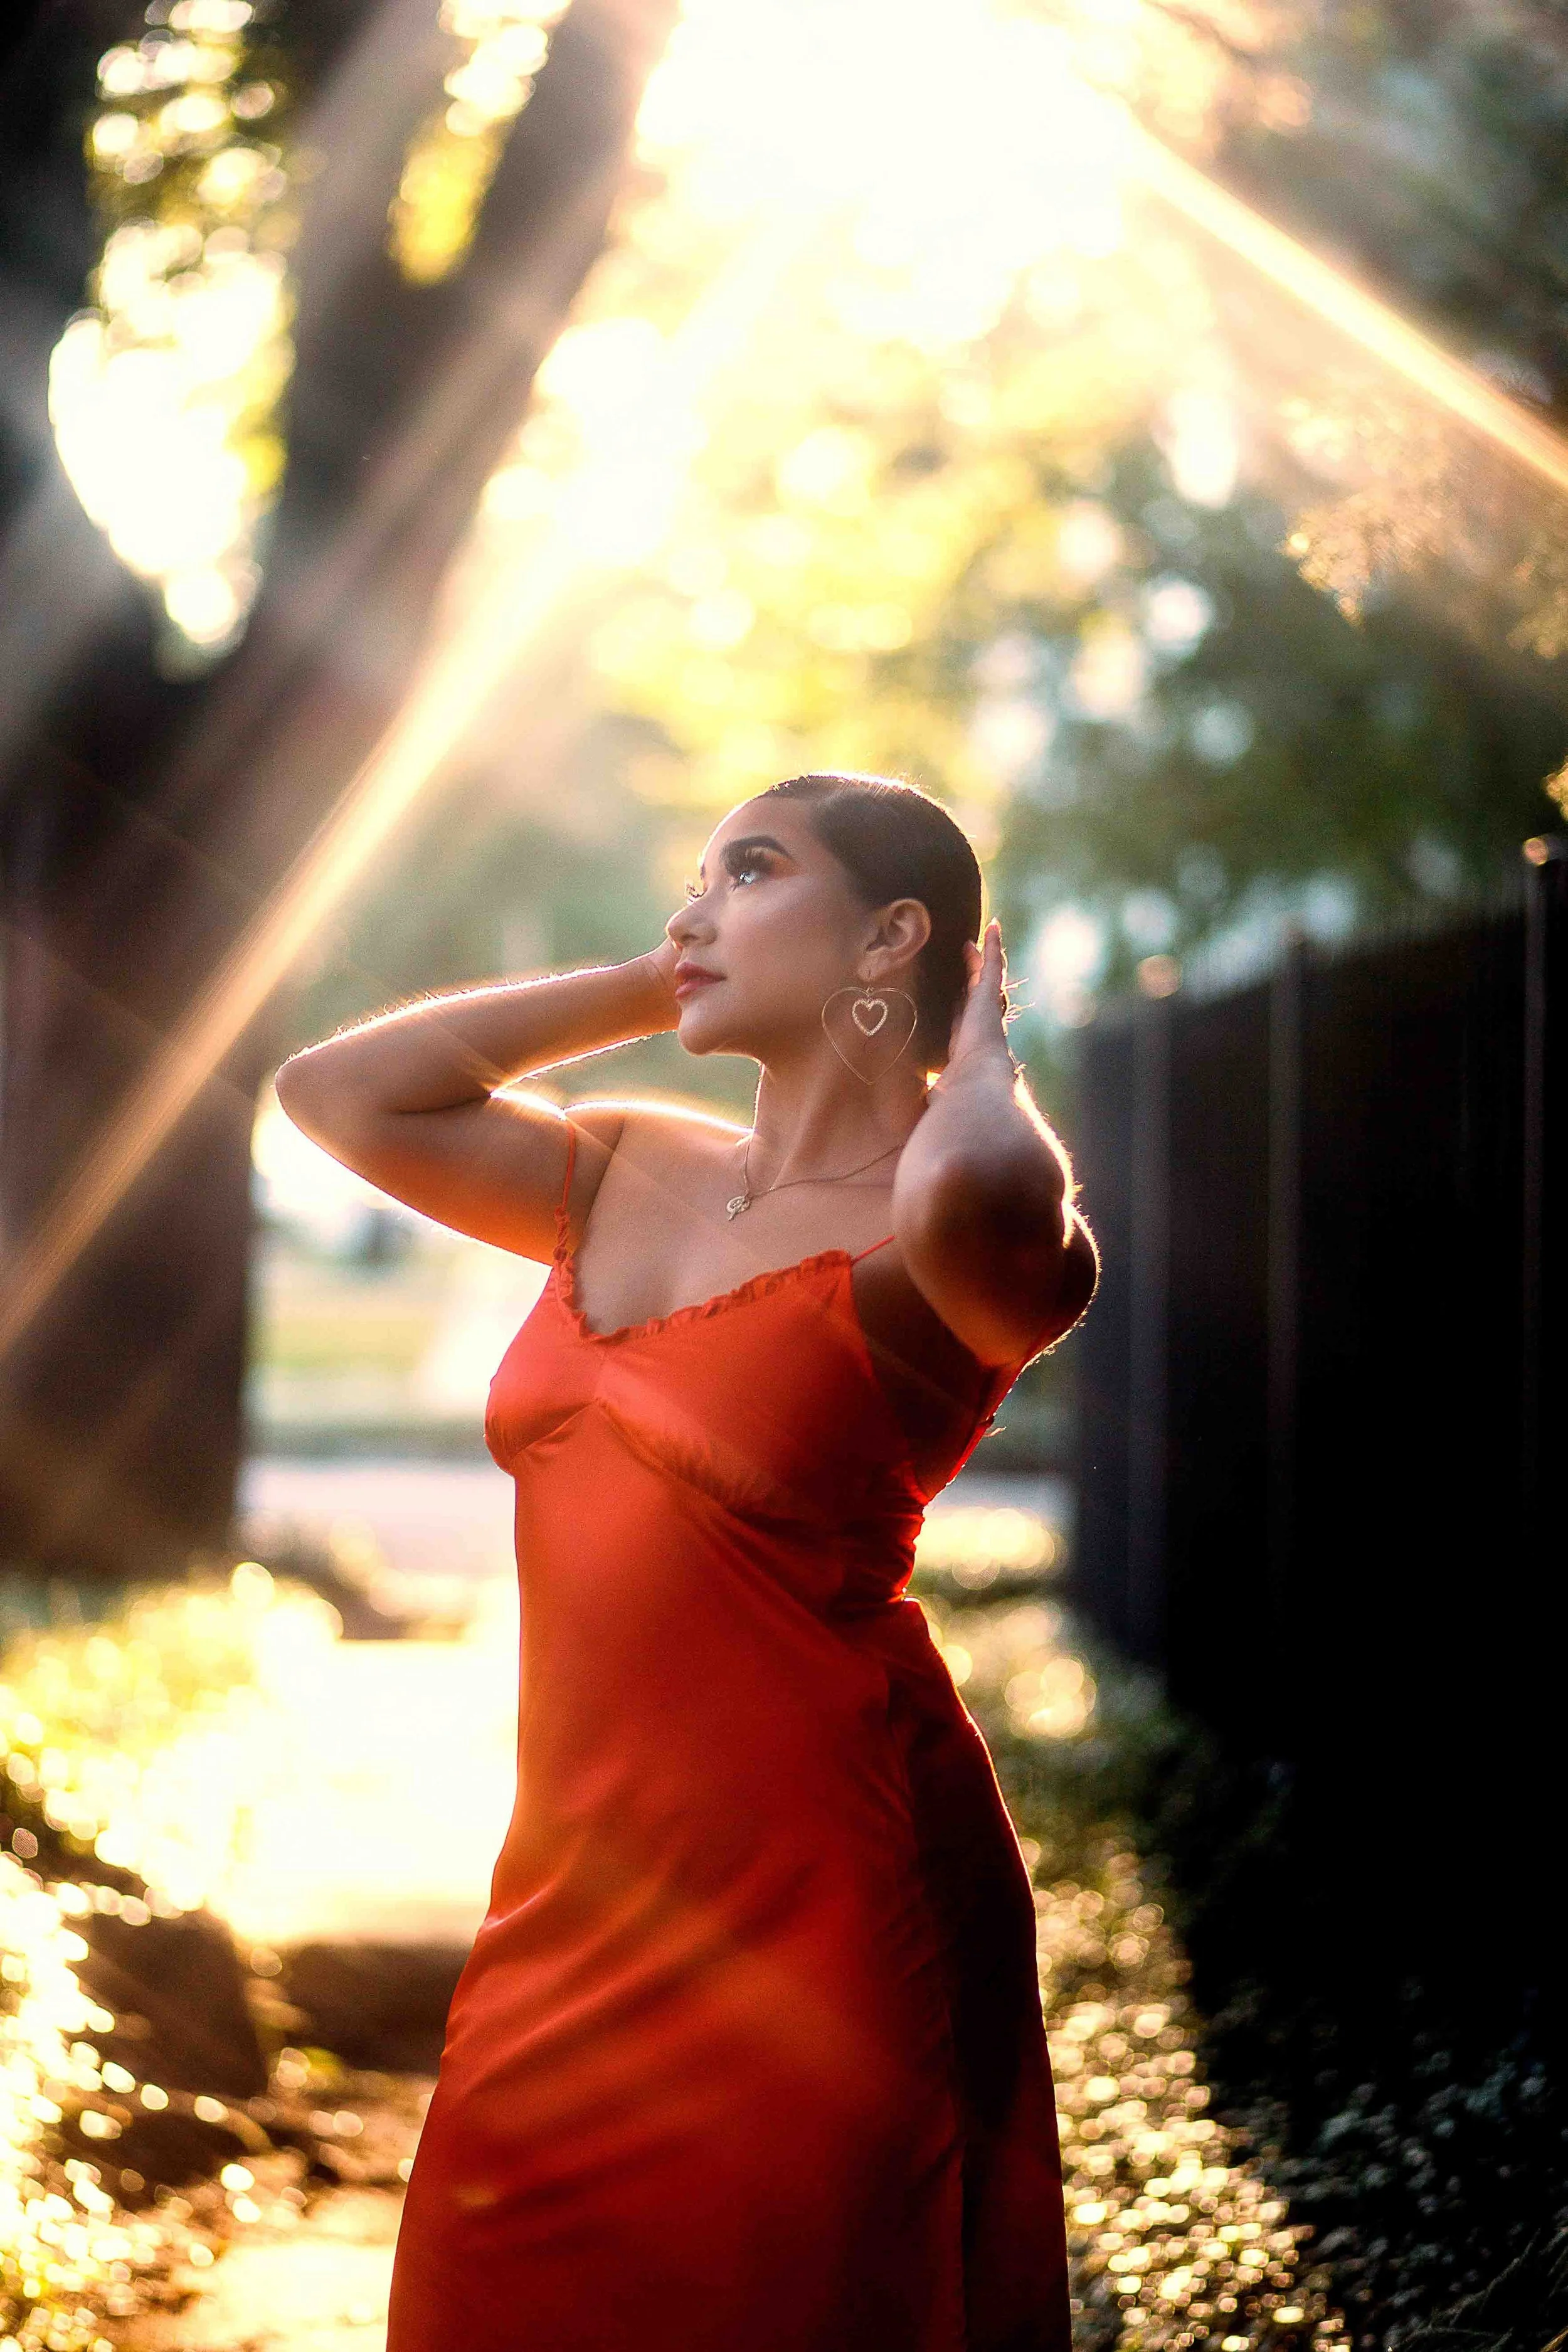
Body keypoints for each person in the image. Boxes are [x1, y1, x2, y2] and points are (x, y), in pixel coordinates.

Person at [275, 771, 1097, 2352]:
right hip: (570, 1894)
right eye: (695, 880)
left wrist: (982, 1056)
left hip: (823, 1901)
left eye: (751, 872)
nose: (693, 908)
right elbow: (339, 1094)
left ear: (890, 938)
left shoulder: (952, 1231)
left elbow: (982, 1192)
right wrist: (656, 978)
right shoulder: (621, 1162)